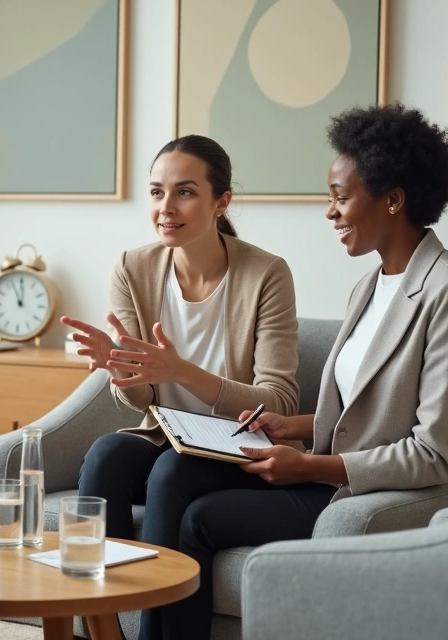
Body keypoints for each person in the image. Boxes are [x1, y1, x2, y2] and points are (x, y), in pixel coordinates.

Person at [146, 104, 448, 640]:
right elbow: (365, 408)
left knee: (200, 520)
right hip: (320, 466)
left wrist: (312, 466)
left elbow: (433, 453)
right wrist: (294, 426)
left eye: (340, 195)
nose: (329, 211)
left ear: (394, 199)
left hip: (352, 488)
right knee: (174, 469)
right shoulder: (372, 284)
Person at [60, 135, 300, 542]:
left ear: (221, 202)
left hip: (239, 451)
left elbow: (278, 401)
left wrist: (182, 372)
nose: (165, 208)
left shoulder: (267, 274)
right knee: (106, 455)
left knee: (172, 468)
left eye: (185, 192)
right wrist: (123, 369)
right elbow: (139, 400)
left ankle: (159, 603)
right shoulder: (132, 268)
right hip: (167, 441)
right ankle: (100, 605)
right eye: (156, 192)